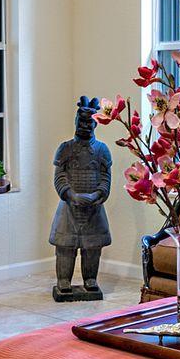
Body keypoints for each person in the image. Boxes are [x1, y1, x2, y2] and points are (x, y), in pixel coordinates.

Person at [49, 96, 112, 298]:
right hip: (69, 206)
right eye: (81, 121)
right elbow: (59, 176)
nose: (85, 126)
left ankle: (90, 279)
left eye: (89, 122)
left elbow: (105, 177)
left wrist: (98, 194)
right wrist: (70, 194)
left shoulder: (102, 150)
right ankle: (63, 280)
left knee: (92, 248)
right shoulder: (65, 148)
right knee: (65, 247)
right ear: (76, 121)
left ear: (95, 123)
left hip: (94, 207)